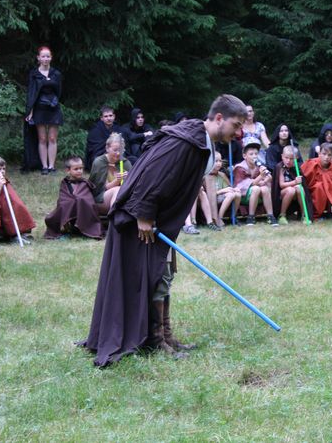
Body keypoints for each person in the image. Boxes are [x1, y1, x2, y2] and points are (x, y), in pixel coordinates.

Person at [80, 94, 247, 367]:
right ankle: (156, 339)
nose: (238, 133)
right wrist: (144, 214)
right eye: (236, 125)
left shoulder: (198, 140)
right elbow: (152, 173)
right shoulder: (185, 141)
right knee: (155, 274)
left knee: (163, 273)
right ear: (219, 118)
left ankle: (165, 335)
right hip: (140, 220)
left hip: (161, 221)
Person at [25, 46, 63, 175]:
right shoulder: (34, 74)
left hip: (53, 108)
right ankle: (44, 166)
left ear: (51, 58)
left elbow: (59, 91)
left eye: (48, 56)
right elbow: (31, 93)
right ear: (38, 58)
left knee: (52, 138)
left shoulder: (56, 74)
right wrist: (30, 111)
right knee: (42, 138)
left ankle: (52, 166)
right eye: (43, 56)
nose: (45, 59)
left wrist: (54, 102)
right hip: (39, 108)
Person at [44, 156, 102, 239]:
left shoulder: (85, 183)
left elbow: (88, 200)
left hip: (84, 213)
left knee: (82, 201)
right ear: (68, 170)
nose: (79, 171)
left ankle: (83, 229)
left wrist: (78, 199)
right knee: (64, 205)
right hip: (69, 210)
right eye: (76, 169)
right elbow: (63, 199)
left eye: (81, 168)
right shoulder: (65, 183)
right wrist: (72, 201)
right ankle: (67, 228)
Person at [233, 139, 277, 226]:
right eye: (251, 154)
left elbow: (270, 177)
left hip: (257, 194)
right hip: (243, 195)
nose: (254, 156)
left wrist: (264, 180)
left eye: (256, 154)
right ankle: (251, 217)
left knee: (265, 189)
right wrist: (261, 176)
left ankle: (270, 216)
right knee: (255, 188)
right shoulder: (240, 167)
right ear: (244, 156)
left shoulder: (259, 165)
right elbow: (248, 185)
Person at [88, 133, 132, 214]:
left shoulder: (125, 163)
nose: (118, 153)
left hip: (124, 199)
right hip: (101, 199)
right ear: (107, 148)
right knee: (117, 190)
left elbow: (132, 187)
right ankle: (115, 217)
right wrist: (117, 180)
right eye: (115, 150)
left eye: (120, 150)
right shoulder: (99, 162)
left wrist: (128, 179)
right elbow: (100, 188)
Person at [301, 142, 332, 220]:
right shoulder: (311, 164)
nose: (326, 157)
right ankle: (317, 213)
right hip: (314, 192)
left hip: (330, 192)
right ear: (319, 154)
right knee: (319, 187)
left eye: (329, 155)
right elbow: (303, 177)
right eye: (324, 154)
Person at [271, 145, 313, 224]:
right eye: (286, 158)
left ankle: (304, 215)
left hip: (295, 194)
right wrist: (294, 182)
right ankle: (282, 215)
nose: (288, 161)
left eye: (291, 158)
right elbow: (281, 185)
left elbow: (303, 185)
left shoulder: (297, 168)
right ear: (282, 156)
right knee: (291, 190)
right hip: (282, 194)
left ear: (296, 158)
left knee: (299, 188)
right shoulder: (280, 167)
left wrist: (299, 182)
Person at [204, 151, 241, 227]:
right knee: (230, 195)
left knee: (237, 194)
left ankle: (233, 216)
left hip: (221, 196)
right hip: (211, 198)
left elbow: (228, 187)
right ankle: (219, 218)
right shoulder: (206, 176)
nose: (219, 163)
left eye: (220, 161)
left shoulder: (222, 175)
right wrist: (223, 191)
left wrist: (234, 189)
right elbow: (208, 193)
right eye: (216, 161)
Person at [85, 106, 120, 171]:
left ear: (114, 116)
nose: (108, 118)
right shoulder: (95, 130)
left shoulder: (118, 128)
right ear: (101, 118)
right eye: (106, 116)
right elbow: (95, 149)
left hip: (115, 153)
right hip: (99, 155)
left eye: (110, 115)